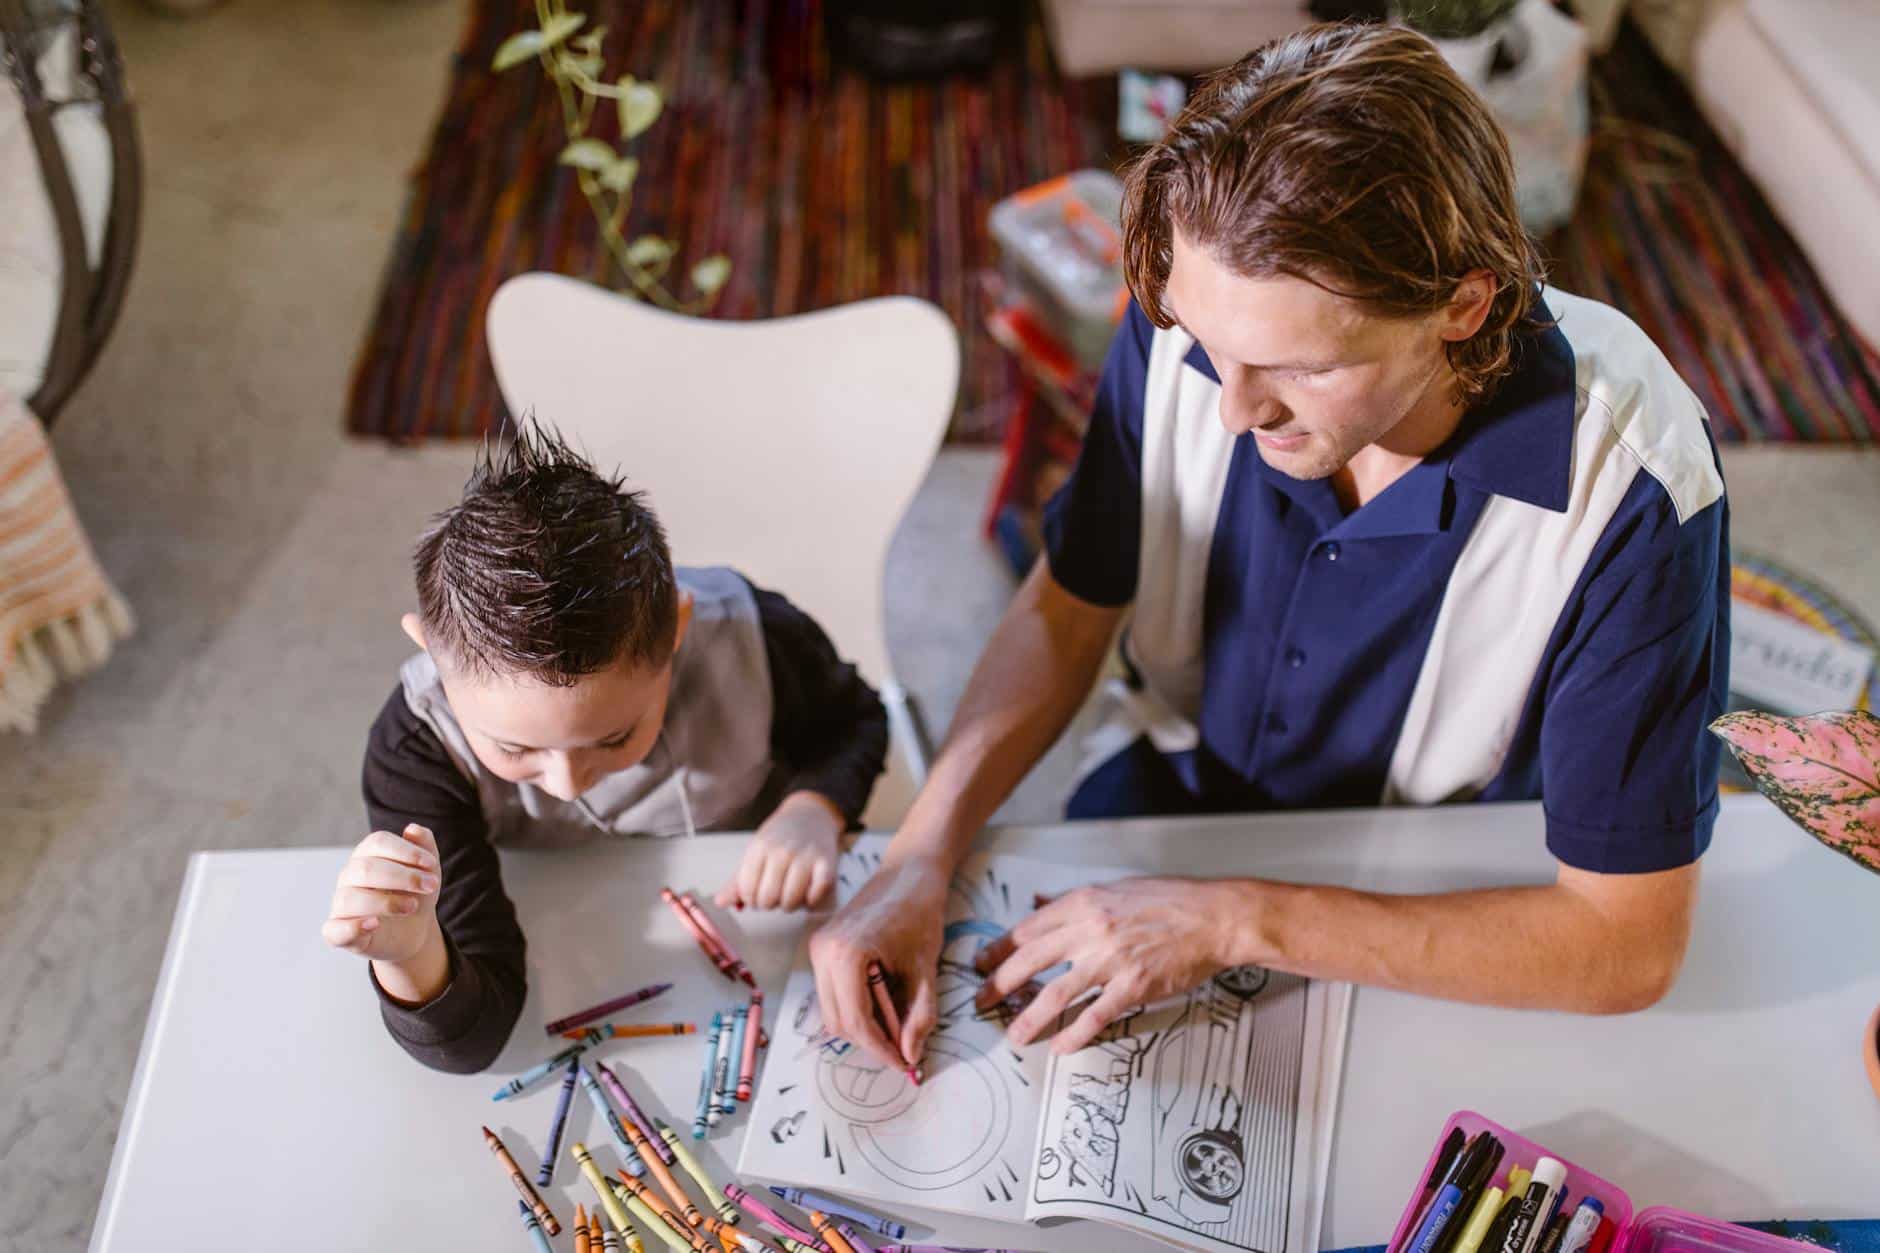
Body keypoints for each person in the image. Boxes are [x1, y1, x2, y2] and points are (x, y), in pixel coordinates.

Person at [810, 22, 1730, 1073]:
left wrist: (1232, 920)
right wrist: (919, 852)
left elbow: (1624, 945)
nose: (1232, 408)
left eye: (1296, 367)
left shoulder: (1635, 486)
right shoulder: (1198, 316)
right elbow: (1070, 604)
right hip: (1164, 791)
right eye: (1210, 349)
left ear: (1460, 304)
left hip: (1452, 893)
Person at [320, 427, 888, 1072]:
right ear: (433, 653)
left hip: (756, 926)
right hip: (567, 932)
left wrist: (815, 806)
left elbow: (857, 721)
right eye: (514, 746)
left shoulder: (762, 639)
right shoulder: (414, 753)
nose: (566, 784)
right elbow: (476, 1038)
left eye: (614, 736)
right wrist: (410, 952)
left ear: (677, 628)